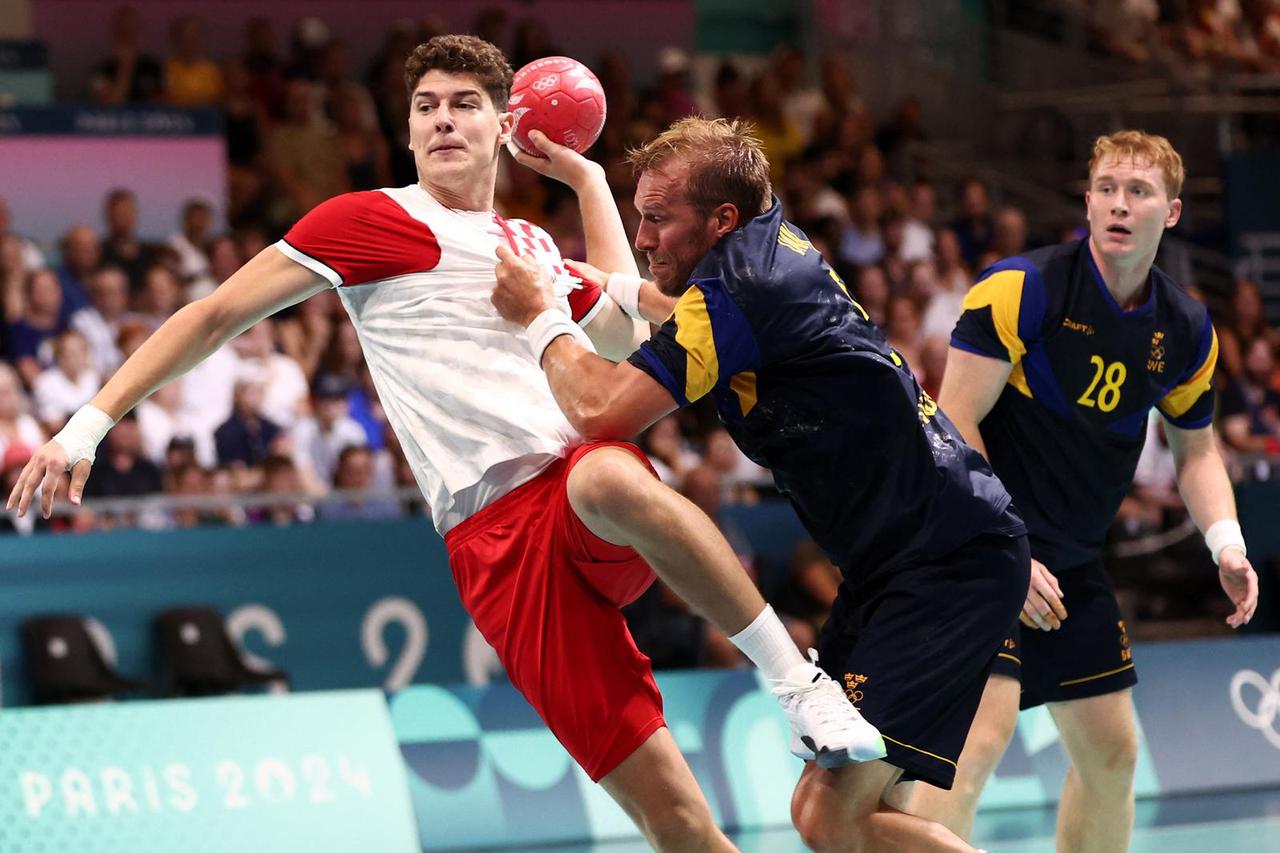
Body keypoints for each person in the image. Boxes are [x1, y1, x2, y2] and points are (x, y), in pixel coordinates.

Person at [8, 36, 876, 853]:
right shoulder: (367, 221)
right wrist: (87, 424)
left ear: (505, 127)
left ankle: (798, 685)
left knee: (606, 476)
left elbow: (620, 327)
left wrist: (585, 179)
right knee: (678, 821)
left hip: (576, 494)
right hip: (494, 547)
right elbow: (213, 315)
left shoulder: (528, 243)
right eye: (425, 106)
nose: (442, 120)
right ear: (408, 129)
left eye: (464, 104)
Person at [490, 115, 1030, 853]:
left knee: (828, 818)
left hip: (946, 562)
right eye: (639, 217)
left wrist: (539, 318)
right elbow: (671, 320)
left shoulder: (741, 287)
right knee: (851, 814)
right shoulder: (762, 250)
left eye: (658, 218)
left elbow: (599, 410)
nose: (644, 237)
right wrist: (594, 218)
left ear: (721, 219)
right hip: (902, 562)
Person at [907, 130, 1259, 852]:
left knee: (1112, 755)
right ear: (1088, 202)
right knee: (977, 740)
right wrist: (1005, 549)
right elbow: (953, 422)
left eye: (1139, 191)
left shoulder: (1186, 329)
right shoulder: (1023, 288)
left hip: (1071, 561)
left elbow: (1196, 451)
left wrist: (1226, 543)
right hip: (977, 546)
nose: (1119, 204)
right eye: (1106, 188)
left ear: (1173, 211)